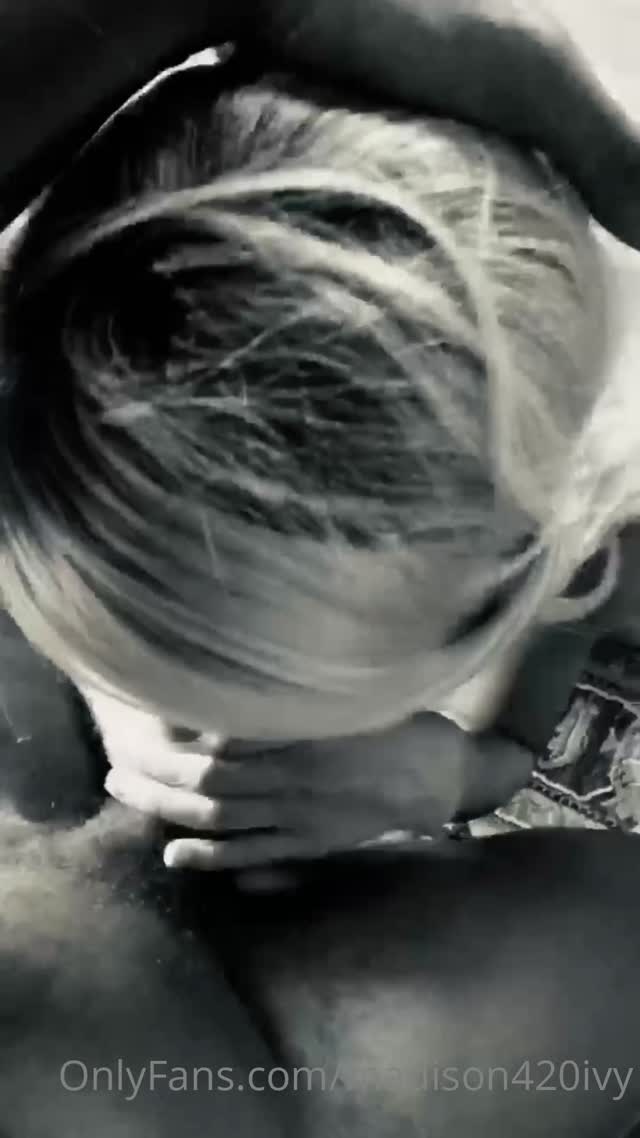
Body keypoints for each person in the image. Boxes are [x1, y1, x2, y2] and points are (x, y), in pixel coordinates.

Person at [2, 39, 640, 1138]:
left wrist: (462, 768)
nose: (217, 753)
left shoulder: (585, 525)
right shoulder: (54, 419)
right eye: (152, 670)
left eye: (282, 700)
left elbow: (527, 705)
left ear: (533, 565)